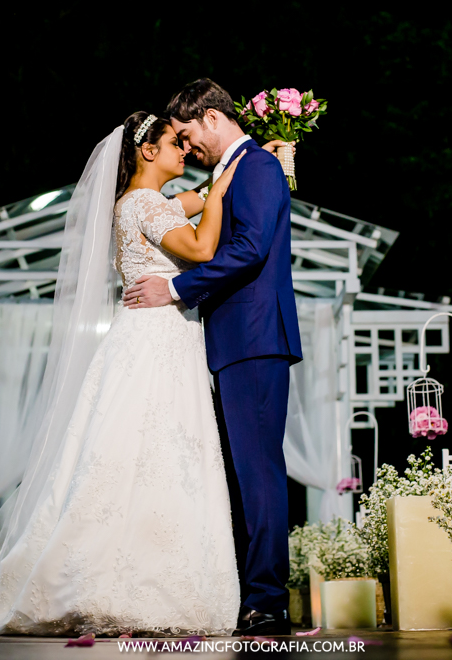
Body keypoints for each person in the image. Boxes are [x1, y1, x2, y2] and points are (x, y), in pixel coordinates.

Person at [0, 112, 246, 636]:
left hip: (152, 338)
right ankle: (135, 584)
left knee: (138, 454)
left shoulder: (141, 202)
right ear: (147, 151)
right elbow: (201, 249)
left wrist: (226, 171)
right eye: (175, 142)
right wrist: (219, 197)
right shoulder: (146, 203)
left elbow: (190, 199)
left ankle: (124, 578)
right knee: (153, 452)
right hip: (155, 341)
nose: (186, 151)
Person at [124, 78, 303, 637]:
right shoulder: (239, 169)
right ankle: (250, 594)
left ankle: (268, 602)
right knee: (244, 474)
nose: (188, 148)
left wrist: (176, 290)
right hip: (235, 343)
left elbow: (249, 250)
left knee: (259, 474)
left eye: (187, 135)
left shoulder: (255, 167)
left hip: (253, 338)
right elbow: (203, 209)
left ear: (208, 117)